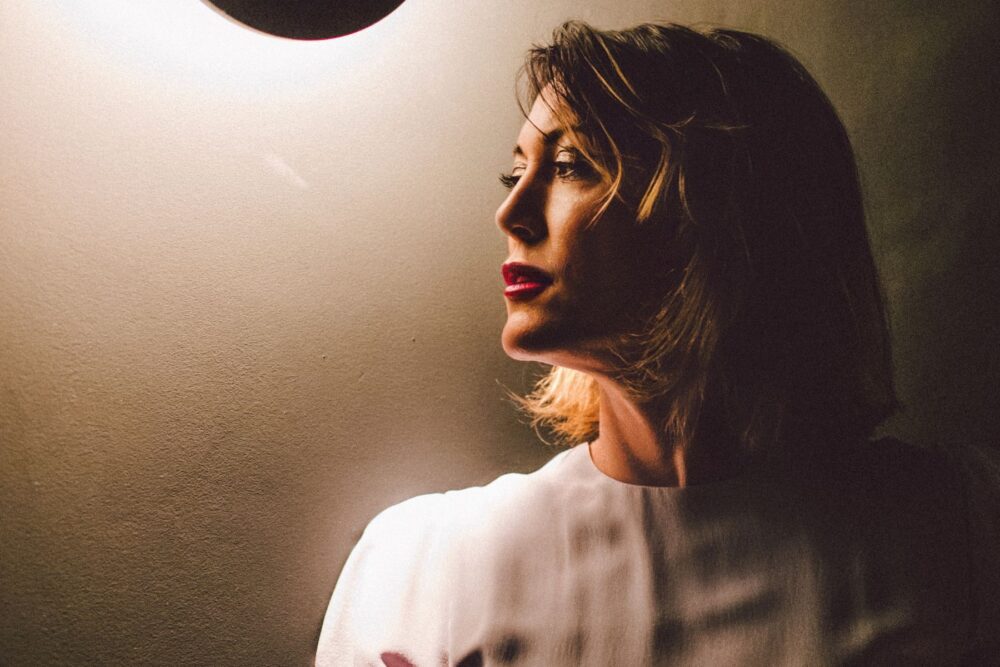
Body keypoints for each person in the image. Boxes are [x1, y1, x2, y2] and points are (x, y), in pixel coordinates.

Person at [316, 21, 999, 665]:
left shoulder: (963, 533)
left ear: (724, 212)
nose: (511, 212)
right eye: (515, 172)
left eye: (571, 165)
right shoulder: (424, 568)